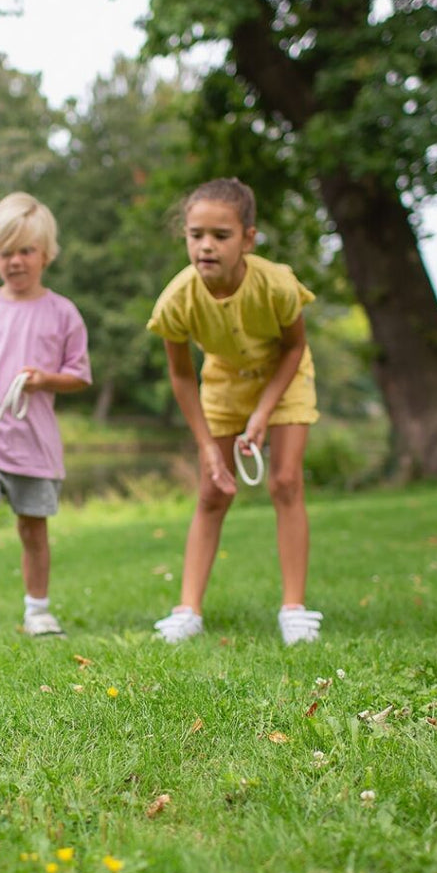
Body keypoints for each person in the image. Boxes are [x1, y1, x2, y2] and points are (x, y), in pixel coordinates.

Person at [146, 177, 322, 645]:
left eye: (220, 236)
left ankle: (294, 610)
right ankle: (188, 611)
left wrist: (263, 414)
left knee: (285, 481)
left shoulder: (277, 285)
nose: (206, 246)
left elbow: (294, 348)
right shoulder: (177, 300)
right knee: (213, 492)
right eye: (195, 234)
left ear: (248, 238)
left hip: (283, 378)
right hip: (223, 382)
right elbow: (183, 376)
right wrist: (207, 447)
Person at [0, 192, 92, 648]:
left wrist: (44, 379)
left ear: (46, 254)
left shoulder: (63, 312)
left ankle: (38, 612)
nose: (16, 261)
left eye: (26, 251)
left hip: (34, 442)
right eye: (6, 252)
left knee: (33, 529)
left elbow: (79, 376)